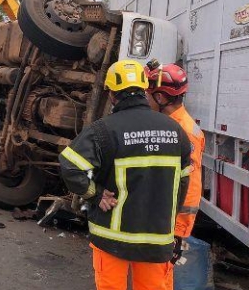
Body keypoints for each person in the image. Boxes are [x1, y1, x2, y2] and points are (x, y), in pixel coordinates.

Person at [58, 60, 192, 290]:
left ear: (112, 95)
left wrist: (96, 195)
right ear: (144, 90)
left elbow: (69, 166)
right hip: (157, 239)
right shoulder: (175, 131)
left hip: (112, 238)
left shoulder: (103, 130)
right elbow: (183, 184)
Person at [145, 60, 205, 290]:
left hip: (174, 221)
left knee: (161, 277)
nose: (145, 98)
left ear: (161, 98)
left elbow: (190, 183)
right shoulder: (173, 123)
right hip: (166, 215)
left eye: (148, 94)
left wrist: (178, 229)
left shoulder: (182, 132)